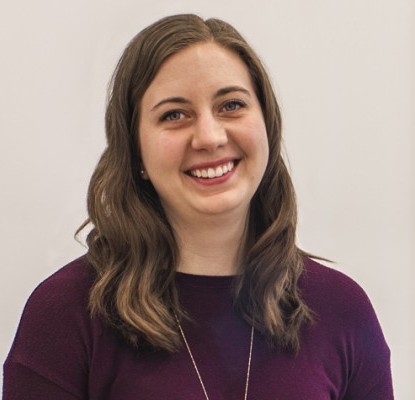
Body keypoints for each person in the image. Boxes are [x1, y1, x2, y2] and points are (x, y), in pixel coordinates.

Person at [3, 14, 393, 399]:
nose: (209, 136)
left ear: (267, 127)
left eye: (231, 105)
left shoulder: (343, 311)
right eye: (174, 115)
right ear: (135, 151)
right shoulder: (64, 316)